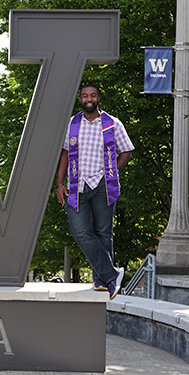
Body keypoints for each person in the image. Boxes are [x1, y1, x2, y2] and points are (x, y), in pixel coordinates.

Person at [56, 84, 134, 300]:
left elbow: (126, 150)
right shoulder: (72, 123)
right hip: (76, 184)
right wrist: (59, 183)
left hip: (102, 185)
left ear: (98, 98)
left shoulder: (112, 123)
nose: (88, 99)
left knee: (103, 233)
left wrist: (111, 172)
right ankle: (111, 275)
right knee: (80, 230)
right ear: (80, 99)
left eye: (92, 95)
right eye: (84, 96)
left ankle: (101, 281)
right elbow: (64, 155)